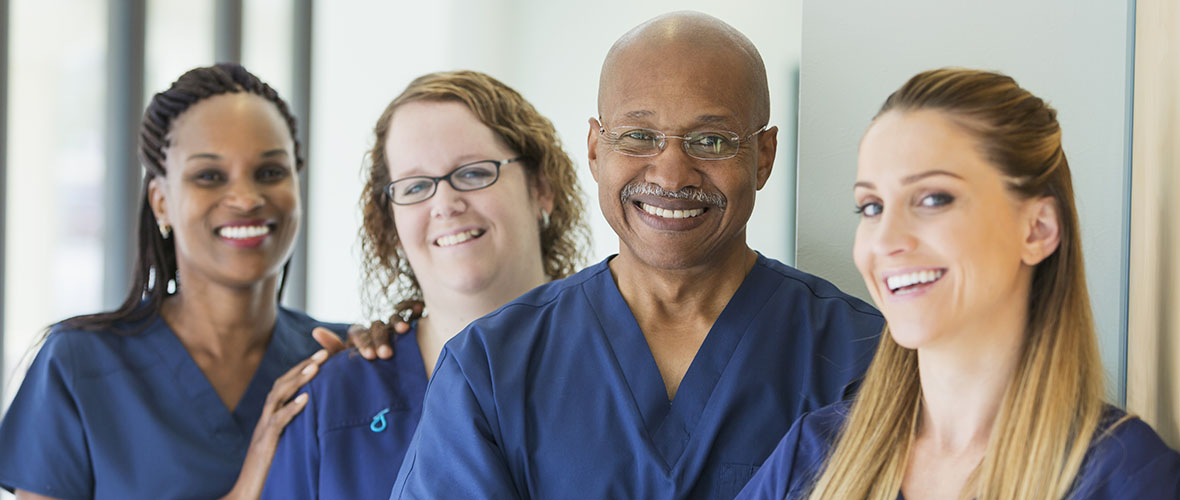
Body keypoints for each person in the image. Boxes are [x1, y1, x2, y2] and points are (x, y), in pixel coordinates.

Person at [389, 12, 883, 499]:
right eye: (639, 136)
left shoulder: (859, 356)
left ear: (764, 156)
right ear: (596, 150)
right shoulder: (489, 368)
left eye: (710, 140)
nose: (670, 175)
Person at [735, 68, 1180, 500]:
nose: (886, 240)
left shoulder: (1124, 476)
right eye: (871, 207)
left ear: (1037, 230)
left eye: (932, 199)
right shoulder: (812, 456)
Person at [0, 63, 353, 500]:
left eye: (269, 173)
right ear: (161, 202)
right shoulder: (78, 365)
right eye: (209, 176)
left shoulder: (339, 359)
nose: (246, 198)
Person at [260, 70, 589, 499]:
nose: (445, 204)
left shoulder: (620, 371)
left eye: (473, 173)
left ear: (541, 188)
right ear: (391, 221)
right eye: (415, 186)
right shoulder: (332, 403)